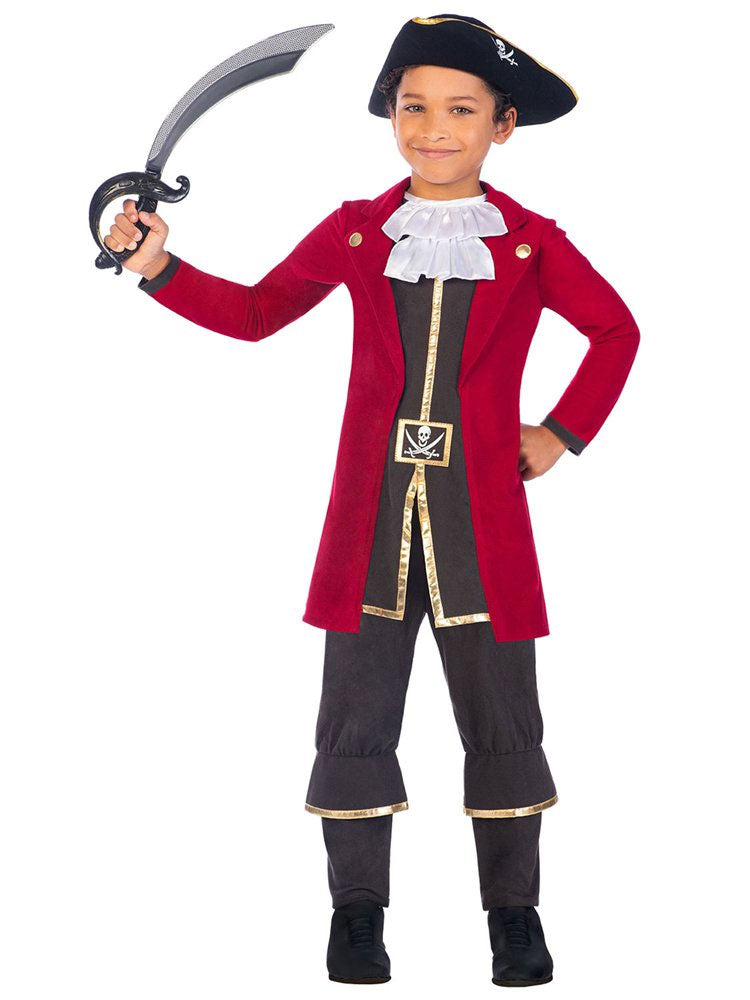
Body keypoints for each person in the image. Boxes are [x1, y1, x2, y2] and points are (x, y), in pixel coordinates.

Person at [103, 14, 640, 987]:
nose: (433, 129)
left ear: (502, 125)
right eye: (413, 107)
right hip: (370, 526)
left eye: (461, 111)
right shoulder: (357, 231)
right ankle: (356, 915)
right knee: (354, 722)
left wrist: (561, 432)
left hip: (484, 528)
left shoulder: (529, 244)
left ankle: (514, 916)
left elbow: (616, 331)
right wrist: (157, 267)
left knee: (503, 720)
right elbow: (258, 311)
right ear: (390, 114)